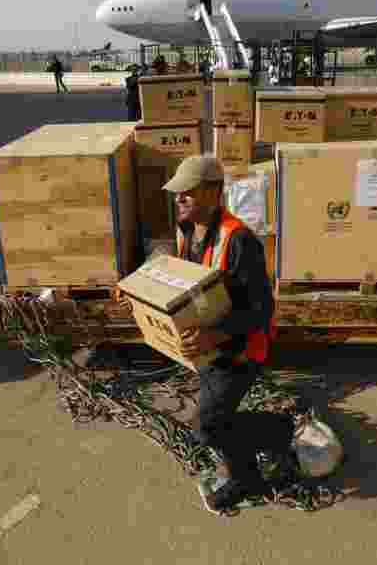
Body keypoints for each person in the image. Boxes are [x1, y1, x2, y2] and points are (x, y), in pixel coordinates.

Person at [162, 155, 294, 514]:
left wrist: (214, 336)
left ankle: (249, 473)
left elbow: (262, 309)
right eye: (178, 193)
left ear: (213, 192)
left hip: (241, 350)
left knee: (208, 428)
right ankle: (275, 431)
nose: (180, 199)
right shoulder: (188, 230)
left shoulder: (239, 241)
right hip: (209, 348)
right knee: (213, 420)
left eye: (188, 192)